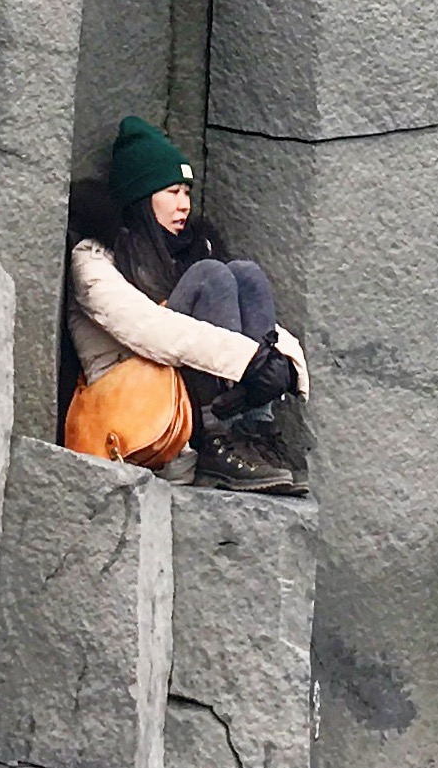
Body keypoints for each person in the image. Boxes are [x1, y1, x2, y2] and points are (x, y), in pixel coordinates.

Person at [67, 115, 310, 495]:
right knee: (211, 276)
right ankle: (217, 438)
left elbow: (245, 330)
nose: (184, 205)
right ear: (141, 195)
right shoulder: (95, 257)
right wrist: (249, 360)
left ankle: (252, 430)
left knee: (245, 274)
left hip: (183, 390)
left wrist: (284, 362)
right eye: (172, 192)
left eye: (187, 192)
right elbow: (150, 329)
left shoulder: (192, 250)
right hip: (140, 416)